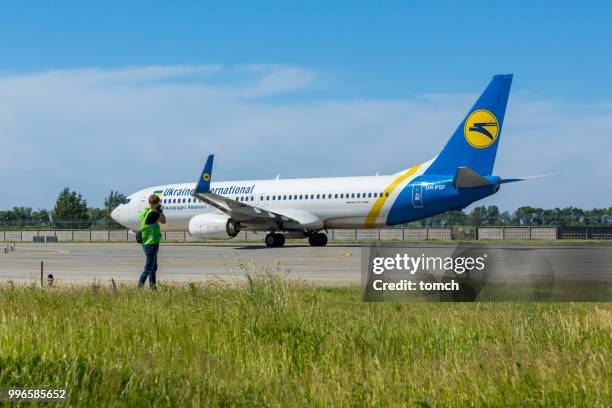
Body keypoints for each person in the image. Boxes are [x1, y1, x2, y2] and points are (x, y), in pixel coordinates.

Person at [138, 194, 166, 289]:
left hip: (146, 243)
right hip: (152, 243)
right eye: (158, 204)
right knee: (148, 268)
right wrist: (160, 212)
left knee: (153, 268)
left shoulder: (144, 212)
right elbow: (163, 221)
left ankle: (153, 287)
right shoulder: (153, 213)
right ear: (157, 203)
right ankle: (139, 288)